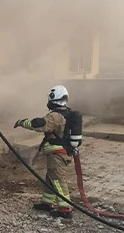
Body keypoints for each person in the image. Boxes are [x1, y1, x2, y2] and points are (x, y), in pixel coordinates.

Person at [15, 85, 83, 219]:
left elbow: (38, 124)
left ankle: (65, 208)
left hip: (57, 154)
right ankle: (47, 203)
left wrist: (22, 122)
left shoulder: (55, 116)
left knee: (57, 179)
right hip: (61, 152)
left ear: (52, 98)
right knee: (51, 178)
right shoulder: (66, 113)